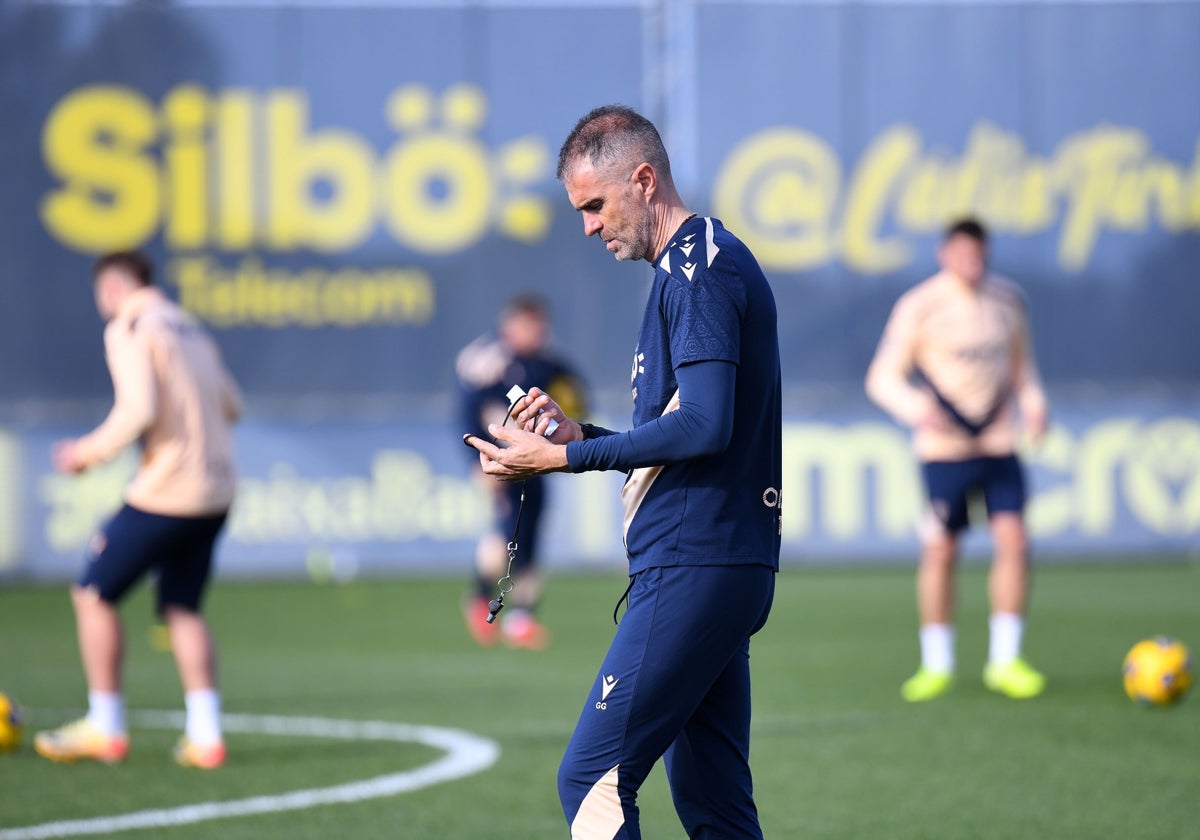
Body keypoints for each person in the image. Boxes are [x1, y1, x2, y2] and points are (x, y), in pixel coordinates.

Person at [465, 105, 781, 839]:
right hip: (714, 562)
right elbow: (688, 432)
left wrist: (564, 456)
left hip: (695, 563)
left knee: (590, 781)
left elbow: (706, 425)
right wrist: (581, 437)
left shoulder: (698, 270)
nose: (587, 227)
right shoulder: (690, 267)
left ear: (644, 180)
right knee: (716, 806)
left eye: (595, 205)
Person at [35, 251, 242, 768]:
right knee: (182, 608)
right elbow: (232, 405)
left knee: (92, 594)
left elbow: (140, 408)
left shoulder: (130, 324)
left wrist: (87, 452)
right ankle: (206, 736)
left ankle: (105, 726)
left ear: (112, 287)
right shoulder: (190, 328)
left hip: (167, 490)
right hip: (216, 491)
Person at [865, 218, 1049, 702]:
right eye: (964, 253)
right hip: (944, 450)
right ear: (945, 254)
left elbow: (1022, 367)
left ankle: (1006, 661)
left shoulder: (1008, 300)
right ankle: (937, 663)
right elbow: (882, 377)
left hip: (998, 440)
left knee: (1015, 538)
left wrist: (1034, 403)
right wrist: (916, 408)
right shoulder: (920, 306)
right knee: (942, 547)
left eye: (980, 254)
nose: (973, 262)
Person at [455, 293, 587, 649]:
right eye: (531, 324)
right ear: (511, 326)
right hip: (502, 464)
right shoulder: (491, 364)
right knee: (506, 532)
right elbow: (468, 414)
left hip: (538, 464)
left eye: (541, 324)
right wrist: (475, 464)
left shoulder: (548, 365)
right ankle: (480, 598)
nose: (539, 331)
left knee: (532, 538)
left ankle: (522, 617)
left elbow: (576, 396)